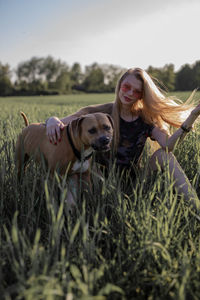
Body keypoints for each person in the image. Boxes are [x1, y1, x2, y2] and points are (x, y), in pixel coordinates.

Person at [46, 67, 200, 212]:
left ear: (142, 96)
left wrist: (192, 117)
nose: (130, 93)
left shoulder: (146, 118)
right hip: (97, 180)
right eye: (127, 87)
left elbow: (168, 145)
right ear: (120, 85)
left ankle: (196, 207)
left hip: (135, 182)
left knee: (164, 155)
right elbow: (65, 121)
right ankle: (70, 216)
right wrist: (52, 120)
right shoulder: (100, 113)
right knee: (78, 172)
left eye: (137, 92)